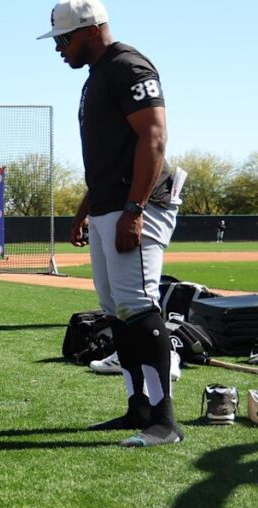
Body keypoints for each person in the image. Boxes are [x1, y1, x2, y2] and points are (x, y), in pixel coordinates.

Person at [40, 0, 184, 447]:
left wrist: (135, 209)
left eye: (63, 39)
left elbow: (154, 136)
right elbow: (109, 156)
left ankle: (165, 421)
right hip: (108, 205)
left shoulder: (127, 65)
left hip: (135, 206)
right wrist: (86, 210)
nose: (59, 49)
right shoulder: (96, 76)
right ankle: (137, 408)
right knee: (118, 309)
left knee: (138, 305)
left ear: (88, 30)